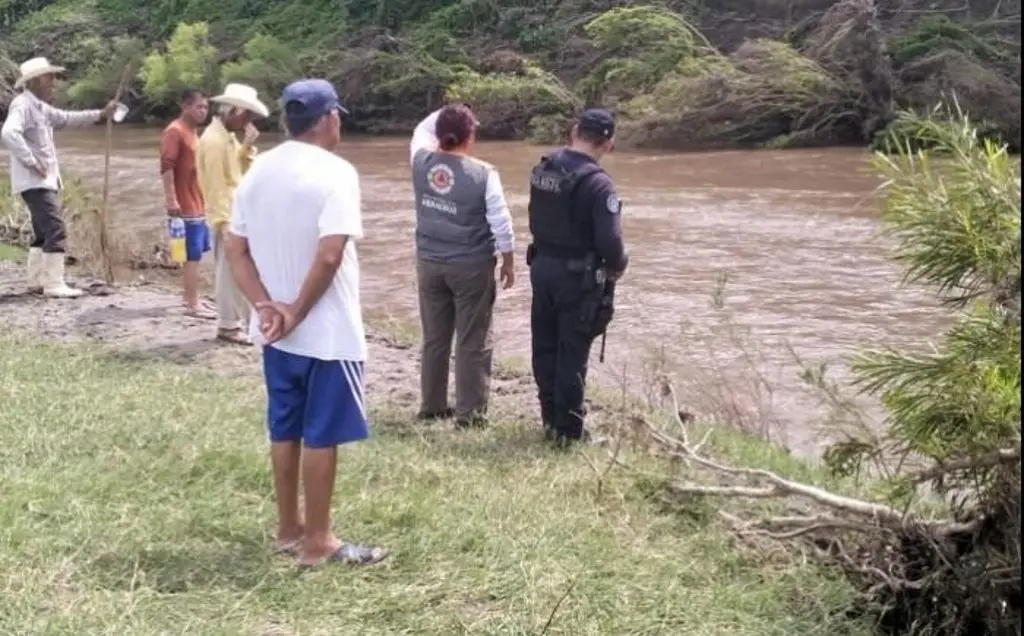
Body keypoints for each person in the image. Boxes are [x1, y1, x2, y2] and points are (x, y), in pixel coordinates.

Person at [224, 78, 387, 569]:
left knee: (285, 429)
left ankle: (288, 528)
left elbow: (235, 248)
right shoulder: (337, 173)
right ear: (328, 119)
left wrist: (266, 306)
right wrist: (296, 309)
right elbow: (331, 253)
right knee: (322, 435)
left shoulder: (258, 170)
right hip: (328, 333)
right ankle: (319, 542)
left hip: (277, 334)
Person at [526, 109, 629, 447]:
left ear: (574, 131)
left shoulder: (544, 168)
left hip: (542, 268)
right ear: (609, 144)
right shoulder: (598, 184)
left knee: (545, 347)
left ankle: (549, 420)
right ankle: (569, 433)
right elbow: (611, 244)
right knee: (571, 353)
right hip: (578, 279)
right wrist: (619, 264)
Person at [409, 104, 516, 429]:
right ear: (470, 136)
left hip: (429, 262)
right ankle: (470, 415)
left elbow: (420, 129)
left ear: (439, 134)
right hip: (470, 266)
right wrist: (508, 259)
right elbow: (501, 221)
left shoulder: (419, 161)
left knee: (435, 337)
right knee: (473, 339)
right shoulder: (483, 173)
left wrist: (447, 112)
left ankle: (432, 406)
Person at [1, 56, 119, 298]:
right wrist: (32, 161)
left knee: (43, 231)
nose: (54, 81)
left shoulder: (40, 107)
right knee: (56, 228)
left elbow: (67, 118)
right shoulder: (23, 105)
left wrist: (100, 114)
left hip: (41, 180)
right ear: (33, 81)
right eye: (49, 77)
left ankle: (37, 281)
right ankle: (54, 284)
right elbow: (9, 133)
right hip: (35, 180)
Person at [197, 83, 268, 345]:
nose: (248, 120)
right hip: (227, 217)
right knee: (228, 273)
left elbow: (237, 172)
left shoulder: (225, 136)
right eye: (245, 114)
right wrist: (224, 223)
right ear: (233, 111)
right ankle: (228, 325)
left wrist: (247, 147)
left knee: (238, 270)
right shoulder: (215, 141)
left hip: (235, 214)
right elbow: (217, 187)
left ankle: (240, 322)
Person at [160, 88, 212, 319]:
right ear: (185, 106)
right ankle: (192, 303)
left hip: (197, 200)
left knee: (197, 251)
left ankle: (192, 297)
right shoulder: (175, 131)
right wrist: (171, 198)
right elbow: (166, 166)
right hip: (184, 202)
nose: (203, 111)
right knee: (190, 253)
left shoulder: (193, 132)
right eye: (199, 106)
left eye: (205, 107)